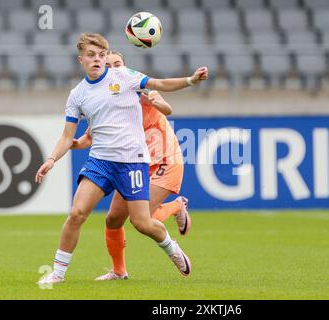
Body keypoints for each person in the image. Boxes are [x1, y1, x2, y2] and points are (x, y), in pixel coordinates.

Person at [36, 33, 208, 284]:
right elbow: (67, 136)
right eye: (91, 56)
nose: (97, 60)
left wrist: (191, 80)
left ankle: (171, 248)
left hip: (132, 162)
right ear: (81, 59)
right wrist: (51, 159)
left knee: (142, 223)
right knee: (77, 214)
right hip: (100, 162)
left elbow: (160, 84)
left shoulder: (125, 77)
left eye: (101, 55)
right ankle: (58, 273)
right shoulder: (77, 95)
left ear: (106, 57)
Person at [72, 50, 191, 280]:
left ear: (126, 67)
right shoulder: (107, 100)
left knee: (143, 219)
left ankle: (176, 209)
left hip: (165, 161)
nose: (114, 69)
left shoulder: (142, 90)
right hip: (134, 164)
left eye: (118, 64)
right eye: (109, 66)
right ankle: (119, 271)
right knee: (113, 219)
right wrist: (72, 143)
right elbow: (89, 137)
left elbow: (168, 110)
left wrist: (158, 101)